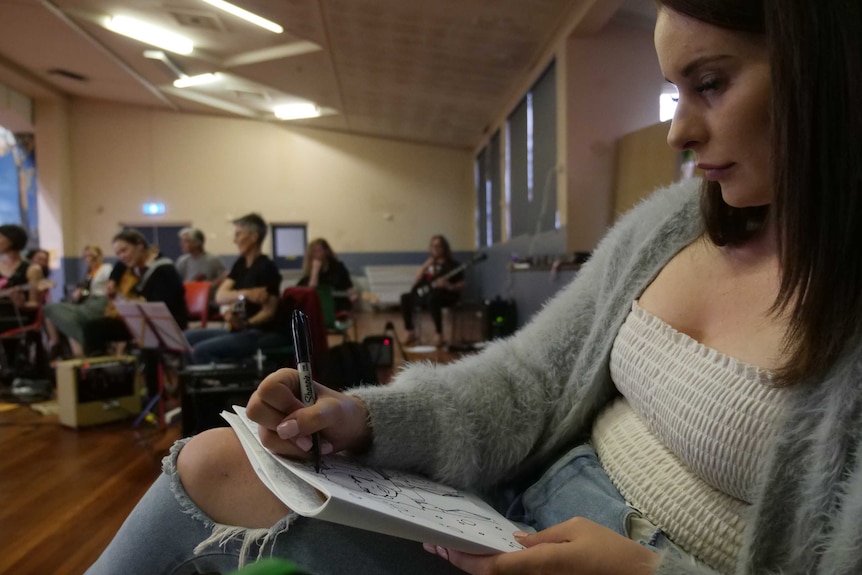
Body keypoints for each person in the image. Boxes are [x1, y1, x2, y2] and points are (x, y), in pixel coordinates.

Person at [86, 1, 862, 574]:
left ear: (822, 72)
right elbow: (531, 377)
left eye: (711, 85)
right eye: (673, 91)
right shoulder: (670, 223)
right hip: (505, 515)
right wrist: (365, 417)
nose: (677, 131)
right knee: (215, 458)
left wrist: (643, 571)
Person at [185, 213, 290, 364]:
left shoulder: (267, 267)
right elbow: (220, 296)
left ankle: (218, 384)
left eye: (238, 235)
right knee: (186, 338)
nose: (235, 240)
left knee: (201, 350)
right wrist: (247, 294)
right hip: (244, 330)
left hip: (264, 332)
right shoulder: (240, 264)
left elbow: (269, 312)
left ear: (254, 237)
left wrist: (246, 323)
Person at [81, 229, 188, 356]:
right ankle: (101, 371)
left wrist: (133, 303)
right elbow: (120, 265)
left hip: (165, 323)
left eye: (124, 250)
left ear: (140, 245)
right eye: (118, 253)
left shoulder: (164, 269)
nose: (122, 256)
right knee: (91, 328)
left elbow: (165, 305)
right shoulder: (134, 264)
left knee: (148, 342)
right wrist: (112, 280)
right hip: (141, 322)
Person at [43, 245, 113, 358]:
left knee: (70, 319)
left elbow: (110, 287)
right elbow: (86, 290)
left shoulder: (106, 268)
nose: (88, 259)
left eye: (91, 255)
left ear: (99, 256)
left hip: (100, 303)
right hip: (88, 302)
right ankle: (55, 342)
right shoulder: (89, 273)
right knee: (50, 309)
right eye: (86, 256)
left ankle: (79, 352)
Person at [400, 234, 463, 347]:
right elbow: (417, 279)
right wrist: (425, 266)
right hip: (427, 295)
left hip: (446, 295)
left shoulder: (453, 265)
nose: (435, 249)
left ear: (444, 248)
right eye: (433, 246)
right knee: (405, 297)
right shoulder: (429, 264)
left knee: (434, 297)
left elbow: (462, 285)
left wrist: (448, 286)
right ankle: (410, 331)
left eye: (438, 246)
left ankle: (439, 334)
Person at [0, 224, 45, 332]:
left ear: (12, 240)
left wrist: (21, 304)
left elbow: (34, 304)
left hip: (17, 317)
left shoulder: (32, 269)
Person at [296, 238, 355, 313]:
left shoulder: (338, 267)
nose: (316, 255)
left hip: (337, 305)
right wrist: (315, 272)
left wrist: (353, 295)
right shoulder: (310, 271)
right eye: (313, 252)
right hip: (316, 308)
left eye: (319, 251)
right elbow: (309, 291)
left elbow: (348, 286)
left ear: (326, 251)